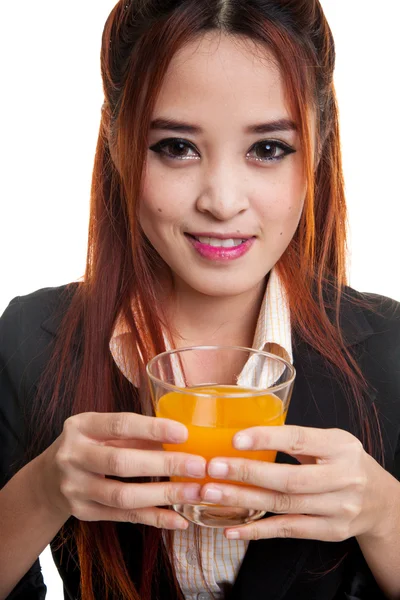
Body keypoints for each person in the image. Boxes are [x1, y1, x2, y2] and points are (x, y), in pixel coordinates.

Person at [1, 0, 399, 599]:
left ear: (318, 148)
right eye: (176, 147)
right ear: (118, 143)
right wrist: (42, 492)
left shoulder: (389, 349)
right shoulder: (29, 339)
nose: (221, 200)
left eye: (267, 150)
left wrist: (386, 514)